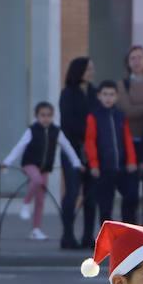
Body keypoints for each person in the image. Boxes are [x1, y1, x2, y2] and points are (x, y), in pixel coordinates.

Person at [0, 101, 85, 241]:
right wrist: (7, 162)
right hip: (30, 164)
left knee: (40, 199)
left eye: (49, 115)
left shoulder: (56, 131)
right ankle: (26, 203)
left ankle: (36, 229)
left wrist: (76, 162)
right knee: (37, 180)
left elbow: (67, 147)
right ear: (36, 116)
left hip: (44, 168)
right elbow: (20, 146)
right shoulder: (32, 130)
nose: (46, 118)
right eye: (43, 115)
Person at [114, 45, 143, 224]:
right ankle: (129, 232)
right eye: (133, 58)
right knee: (130, 193)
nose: (137, 61)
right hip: (129, 143)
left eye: (140, 57)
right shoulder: (122, 85)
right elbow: (127, 111)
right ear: (128, 62)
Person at [84, 80, 138, 225]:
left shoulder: (120, 115)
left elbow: (127, 139)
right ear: (99, 96)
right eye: (105, 94)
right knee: (105, 206)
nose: (108, 98)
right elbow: (90, 141)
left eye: (111, 94)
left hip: (121, 167)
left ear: (116, 97)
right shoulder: (94, 116)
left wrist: (131, 161)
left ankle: (128, 231)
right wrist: (94, 164)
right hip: (104, 168)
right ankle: (107, 240)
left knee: (131, 195)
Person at [58, 56, 98, 250]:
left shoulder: (94, 93)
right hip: (72, 149)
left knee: (91, 195)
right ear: (79, 71)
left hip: (91, 150)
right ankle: (67, 235)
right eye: (89, 69)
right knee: (72, 193)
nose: (92, 72)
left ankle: (88, 236)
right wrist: (88, 130)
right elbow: (68, 122)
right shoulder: (68, 93)